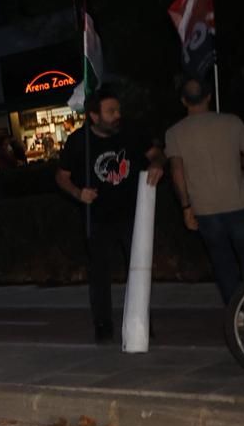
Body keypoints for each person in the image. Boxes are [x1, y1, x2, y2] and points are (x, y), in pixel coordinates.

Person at [55, 88, 165, 341]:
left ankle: (141, 323)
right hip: (98, 219)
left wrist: (158, 164)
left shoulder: (131, 132)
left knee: (138, 269)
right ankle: (103, 325)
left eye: (118, 110)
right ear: (94, 116)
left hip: (132, 215)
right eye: (111, 111)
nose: (117, 115)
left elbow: (156, 153)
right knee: (99, 275)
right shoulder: (78, 141)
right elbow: (62, 177)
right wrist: (77, 193)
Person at [165, 76, 244, 302]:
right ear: (209, 96)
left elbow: (177, 171)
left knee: (222, 262)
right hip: (239, 203)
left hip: (205, 209)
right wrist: (234, 161)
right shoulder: (232, 122)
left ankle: (236, 311)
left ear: (183, 101)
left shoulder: (174, 132)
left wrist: (186, 207)